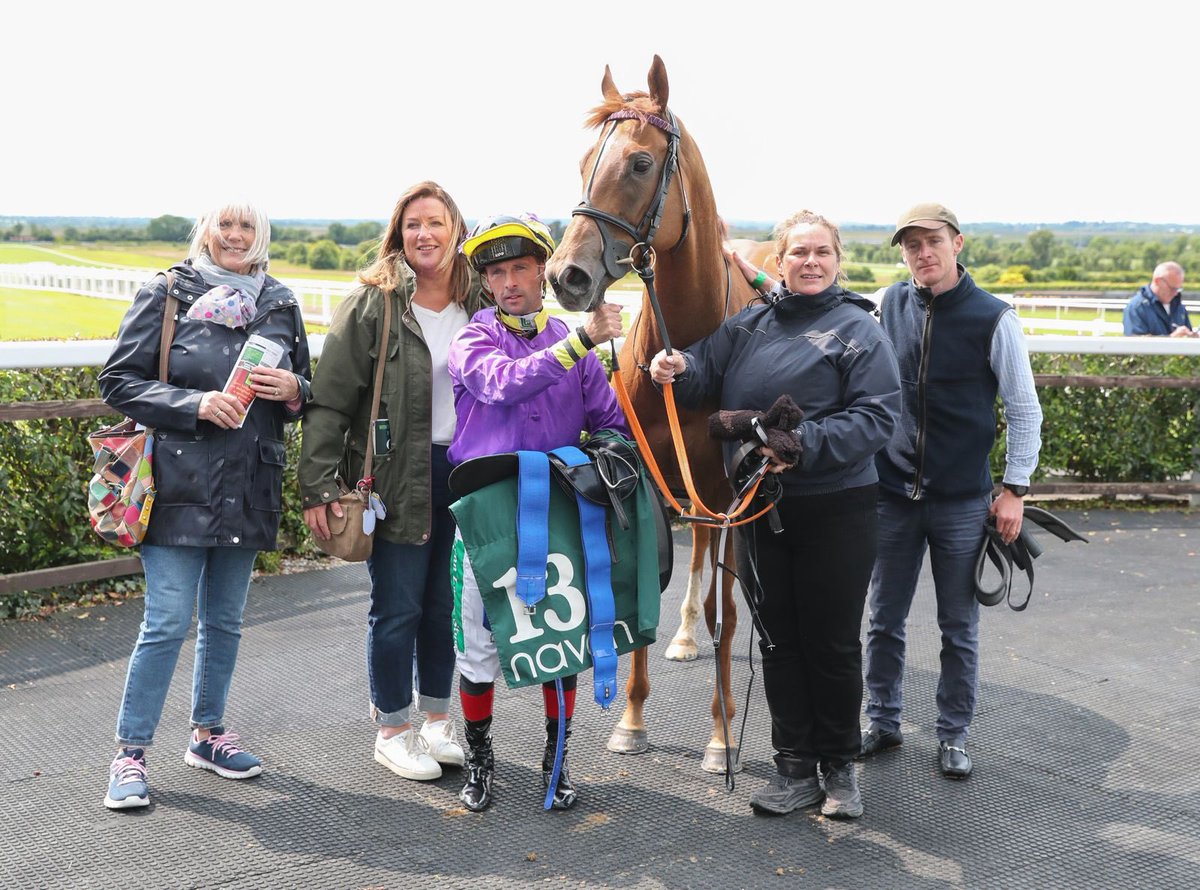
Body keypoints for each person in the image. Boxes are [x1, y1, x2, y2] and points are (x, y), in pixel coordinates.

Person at [650, 209, 901, 820]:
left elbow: (878, 417)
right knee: (778, 639)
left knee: (832, 642)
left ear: (837, 260)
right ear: (779, 263)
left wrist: (803, 445)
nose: (810, 262)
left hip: (838, 507)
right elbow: (700, 372)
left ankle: (839, 769)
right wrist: (671, 366)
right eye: (798, 253)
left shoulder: (858, 330)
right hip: (762, 508)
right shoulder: (749, 325)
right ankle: (794, 768)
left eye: (821, 252)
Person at [98, 201, 312, 809]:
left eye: (247, 227)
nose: (236, 236)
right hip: (177, 484)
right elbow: (118, 380)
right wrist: (193, 405)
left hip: (249, 486)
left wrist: (296, 389)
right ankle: (131, 754)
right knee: (166, 621)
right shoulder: (167, 292)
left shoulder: (281, 303)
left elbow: (305, 388)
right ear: (207, 233)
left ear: (261, 235)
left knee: (225, 621)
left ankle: (208, 734)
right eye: (226, 225)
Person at [299, 182, 487, 783]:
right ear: (398, 233)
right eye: (413, 225)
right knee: (398, 607)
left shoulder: (481, 298)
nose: (424, 235)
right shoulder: (373, 301)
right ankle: (392, 729)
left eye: (435, 222)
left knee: (445, 607)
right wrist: (320, 486)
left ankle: (436, 720)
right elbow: (329, 401)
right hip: (396, 474)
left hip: (466, 472)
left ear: (456, 229)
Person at [447, 213, 626, 812]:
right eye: (497, 272)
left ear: (542, 273)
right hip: (486, 512)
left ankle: (558, 761)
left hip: (555, 508)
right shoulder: (472, 340)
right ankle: (480, 758)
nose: (509, 281)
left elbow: (611, 423)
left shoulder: (571, 347)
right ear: (487, 283)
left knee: (559, 640)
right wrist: (582, 340)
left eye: (521, 267)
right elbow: (503, 384)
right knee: (479, 647)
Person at [860, 202, 1043, 779]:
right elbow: (825, 315)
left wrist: (1014, 488)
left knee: (957, 626)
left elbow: (1023, 409)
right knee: (882, 620)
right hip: (892, 494)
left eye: (932, 241)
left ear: (957, 243)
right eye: (911, 245)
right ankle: (882, 722)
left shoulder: (995, 317)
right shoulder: (887, 304)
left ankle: (953, 734)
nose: (922, 253)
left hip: (964, 501)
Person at [1123, 261, 1194, 337]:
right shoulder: (1137, 307)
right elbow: (1135, 344)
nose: (1175, 293)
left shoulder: (1178, 306)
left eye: (1178, 289)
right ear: (1158, 281)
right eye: (1172, 288)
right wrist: (1171, 338)